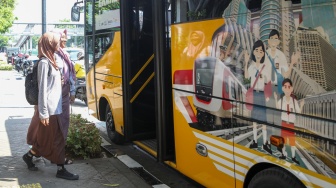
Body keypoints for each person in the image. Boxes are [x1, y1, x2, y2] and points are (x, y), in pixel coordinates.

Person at [23, 32, 79, 180]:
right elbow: (42, 90)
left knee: (56, 137)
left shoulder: (53, 60)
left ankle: (35, 158)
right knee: (49, 138)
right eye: (56, 42)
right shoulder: (44, 63)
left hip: (58, 106)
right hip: (51, 109)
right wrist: (43, 113)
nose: (59, 44)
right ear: (49, 44)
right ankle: (57, 166)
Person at [265, 29, 300, 126]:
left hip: (278, 88)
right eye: (271, 39)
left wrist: (292, 63)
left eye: (276, 39)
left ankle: (275, 134)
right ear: (268, 41)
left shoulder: (281, 56)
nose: (273, 41)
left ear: (278, 42)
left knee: (277, 115)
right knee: (268, 115)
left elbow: (286, 75)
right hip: (267, 87)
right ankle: (268, 138)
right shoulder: (264, 55)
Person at [244, 40, 272, 154]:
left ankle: (265, 143)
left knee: (264, 122)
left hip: (261, 94)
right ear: (253, 52)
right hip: (254, 94)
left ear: (264, 53)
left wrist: (267, 94)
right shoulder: (251, 66)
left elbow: (268, 80)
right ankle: (255, 141)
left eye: (261, 50)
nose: (259, 52)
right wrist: (246, 63)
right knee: (254, 121)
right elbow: (246, 77)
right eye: (257, 50)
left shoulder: (265, 67)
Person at [54, 30, 76, 165]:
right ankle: (58, 160)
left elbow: (71, 75)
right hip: (56, 95)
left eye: (65, 38)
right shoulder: (52, 56)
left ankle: (58, 157)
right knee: (57, 127)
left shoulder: (64, 54)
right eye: (61, 38)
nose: (64, 40)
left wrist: (72, 92)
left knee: (62, 125)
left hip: (64, 94)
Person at [274, 78, 304, 165]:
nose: (287, 89)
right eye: (285, 87)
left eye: (289, 87)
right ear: (283, 88)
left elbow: (298, 112)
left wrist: (301, 106)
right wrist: (275, 99)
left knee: (292, 142)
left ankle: (293, 157)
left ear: (292, 89)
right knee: (283, 141)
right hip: (283, 123)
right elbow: (277, 108)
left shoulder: (294, 101)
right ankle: (283, 154)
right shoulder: (282, 100)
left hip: (291, 124)